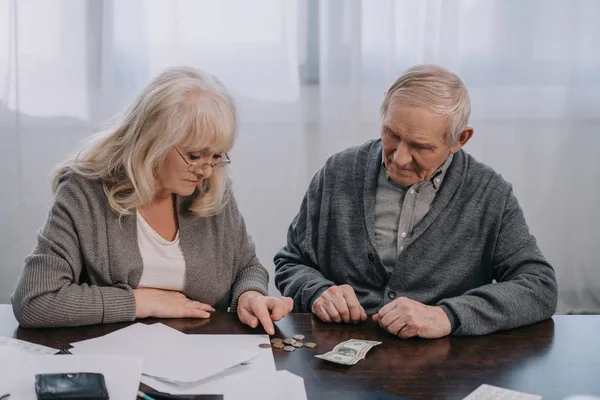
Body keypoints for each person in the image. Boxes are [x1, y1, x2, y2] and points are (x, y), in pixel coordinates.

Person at [274, 64, 558, 338]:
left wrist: (447, 316)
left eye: (421, 146)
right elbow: (291, 262)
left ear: (460, 139)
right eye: (391, 135)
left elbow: (539, 287)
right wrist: (316, 291)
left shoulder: (489, 193)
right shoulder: (338, 173)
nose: (399, 158)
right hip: (333, 359)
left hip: (444, 367)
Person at [12, 66, 292, 334]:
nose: (206, 170)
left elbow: (247, 266)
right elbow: (35, 301)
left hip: (202, 356)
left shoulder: (211, 186)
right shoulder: (84, 192)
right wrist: (142, 302)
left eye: (216, 156)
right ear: (152, 141)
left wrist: (250, 295)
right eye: (194, 156)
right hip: (111, 360)